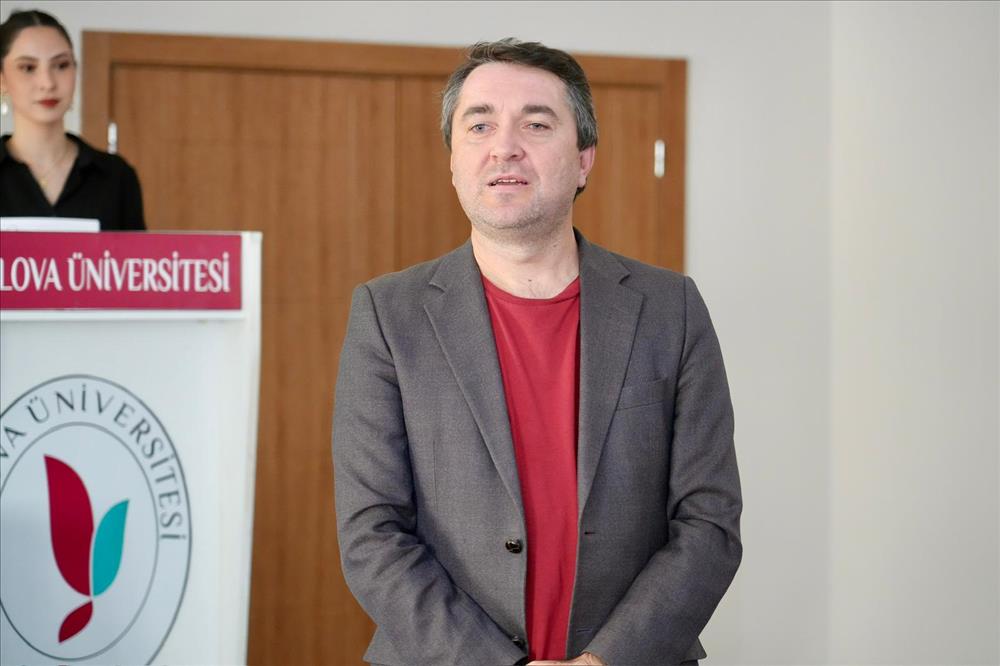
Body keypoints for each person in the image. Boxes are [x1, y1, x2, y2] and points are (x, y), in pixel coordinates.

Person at [332, 38, 741, 666]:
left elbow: (708, 520)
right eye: (480, 125)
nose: (505, 146)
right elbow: (372, 533)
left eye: (536, 124)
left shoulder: (671, 308)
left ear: (583, 160)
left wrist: (605, 662)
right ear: (453, 160)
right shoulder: (388, 316)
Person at [0, 9, 145, 230]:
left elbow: (135, 253)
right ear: (2, 79)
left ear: (75, 71)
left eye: (61, 65)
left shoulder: (116, 176)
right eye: (28, 68)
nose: (48, 83)